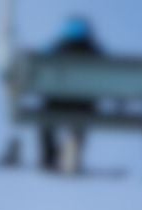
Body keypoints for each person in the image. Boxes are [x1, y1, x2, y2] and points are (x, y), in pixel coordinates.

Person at [39, 14, 105, 172]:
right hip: (84, 103)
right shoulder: (94, 50)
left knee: (45, 121)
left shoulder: (58, 47)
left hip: (57, 102)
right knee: (81, 122)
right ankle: (75, 149)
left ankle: (49, 157)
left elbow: (40, 62)